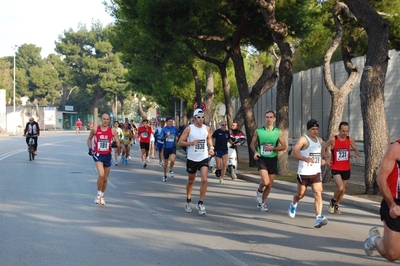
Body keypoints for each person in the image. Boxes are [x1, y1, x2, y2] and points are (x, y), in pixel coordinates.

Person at [364, 140, 400, 261]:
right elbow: (381, 179)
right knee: (392, 255)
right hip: (395, 204)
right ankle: (374, 239)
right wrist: (392, 205)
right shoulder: (395, 149)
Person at [288, 119, 328, 228]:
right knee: (301, 194)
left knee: (318, 193)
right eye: (312, 129)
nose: (315, 131)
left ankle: (318, 217)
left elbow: (316, 155)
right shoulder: (303, 139)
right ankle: (294, 202)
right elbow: (293, 153)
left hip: (315, 172)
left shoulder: (319, 140)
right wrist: (305, 158)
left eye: (316, 129)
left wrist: (322, 160)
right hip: (304, 172)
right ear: (308, 129)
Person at [178, 109, 214, 215]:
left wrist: (211, 147)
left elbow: (209, 138)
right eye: (199, 117)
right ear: (194, 118)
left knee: (204, 179)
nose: (201, 119)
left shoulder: (207, 128)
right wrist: (191, 143)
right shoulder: (189, 129)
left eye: (202, 117)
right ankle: (188, 200)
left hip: (203, 157)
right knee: (191, 181)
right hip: (192, 158)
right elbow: (180, 142)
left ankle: (200, 202)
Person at [250, 111, 287, 212]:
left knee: (270, 185)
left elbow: (284, 146)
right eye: (267, 117)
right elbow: (252, 144)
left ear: (274, 119)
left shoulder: (278, 132)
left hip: (272, 159)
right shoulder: (258, 131)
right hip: (262, 158)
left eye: (271, 117)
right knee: (265, 182)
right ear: (264, 119)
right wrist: (255, 152)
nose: (269, 119)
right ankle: (259, 191)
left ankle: (262, 203)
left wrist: (273, 148)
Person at [322, 122, 360, 214]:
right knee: (340, 187)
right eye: (343, 131)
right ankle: (333, 200)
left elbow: (356, 149)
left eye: (346, 131)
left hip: (346, 168)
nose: (345, 133)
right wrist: (326, 159)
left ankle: (336, 205)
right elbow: (323, 148)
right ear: (339, 130)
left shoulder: (349, 139)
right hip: (336, 167)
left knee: (343, 190)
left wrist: (356, 154)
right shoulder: (333, 139)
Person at [87, 113, 120, 206]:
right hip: (98, 155)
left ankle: (102, 194)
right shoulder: (95, 129)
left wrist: (116, 145)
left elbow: (118, 142)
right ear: (101, 119)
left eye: (107, 119)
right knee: (101, 175)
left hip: (108, 156)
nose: (105, 121)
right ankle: (98, 194)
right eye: (104, 119)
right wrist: (90, 149)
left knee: (105, 178)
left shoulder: (113, 131)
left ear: (109, 120)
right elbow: (89, 139)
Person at [212, 120, 231, 185]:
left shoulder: (227, 132)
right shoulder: (217, 132)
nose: (224, 126)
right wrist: (212, 145)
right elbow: (211, 138)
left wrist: (234, 143)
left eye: (225, 125)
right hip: (218, 150)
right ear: (220, 125)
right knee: (219, 165)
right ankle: (216, 167)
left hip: (225, 150)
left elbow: (229, 139)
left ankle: (222, 178)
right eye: (223, 125)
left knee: (224, 165)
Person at [160, 117, 179, 182]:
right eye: (169, 121)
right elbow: (161, 139)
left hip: (173, 147)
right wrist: (166, 136)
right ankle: (165, 175)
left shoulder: (175, 128)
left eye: (172, 121)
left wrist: (177, 137)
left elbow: (177, 134)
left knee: (172, 160)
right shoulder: (164, 129)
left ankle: (170, 169)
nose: (171, 123)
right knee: (165, 164)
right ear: (167, 122)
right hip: (166, 148)